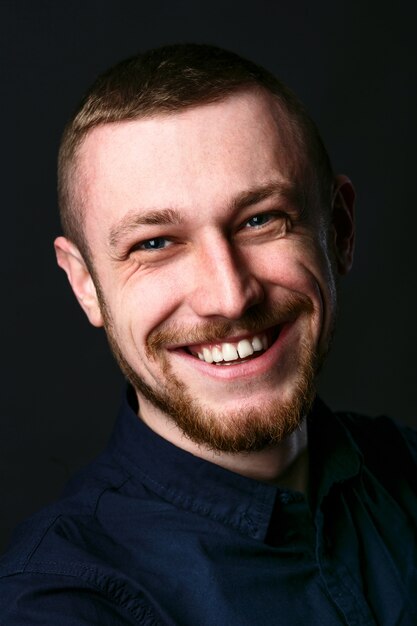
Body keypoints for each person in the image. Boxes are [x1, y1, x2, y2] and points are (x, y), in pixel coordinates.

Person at [1, 43, 416, 625]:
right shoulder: (62, 601)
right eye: (154, 244)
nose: (229, 296)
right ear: (86, 285)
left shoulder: (407, 466)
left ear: (340, 230)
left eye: (260, 220)